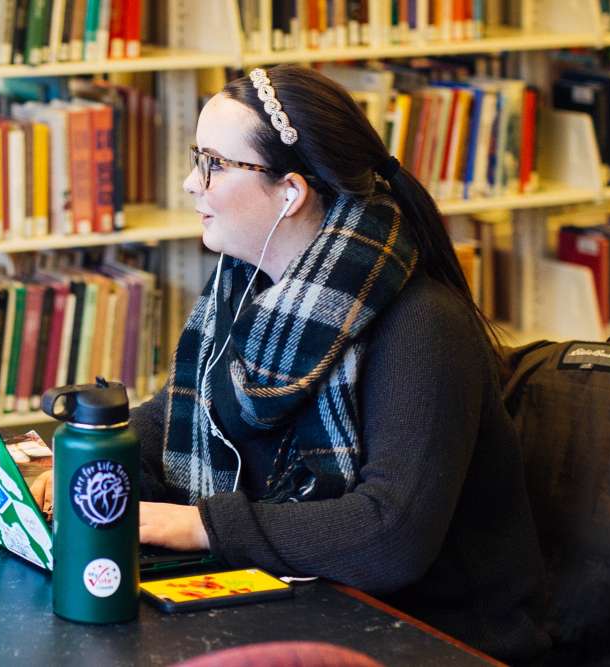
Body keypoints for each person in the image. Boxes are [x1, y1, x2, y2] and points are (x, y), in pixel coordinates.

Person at [31, 65, 546, 662]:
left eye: (213, 164)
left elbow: (389, 536)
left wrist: (200, 526)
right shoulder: (251, 286)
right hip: (310, 605)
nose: (189, 184)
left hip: (433, 637)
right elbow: (184, 419)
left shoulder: (424, 324)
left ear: (291, 192)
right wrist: (96, 469)